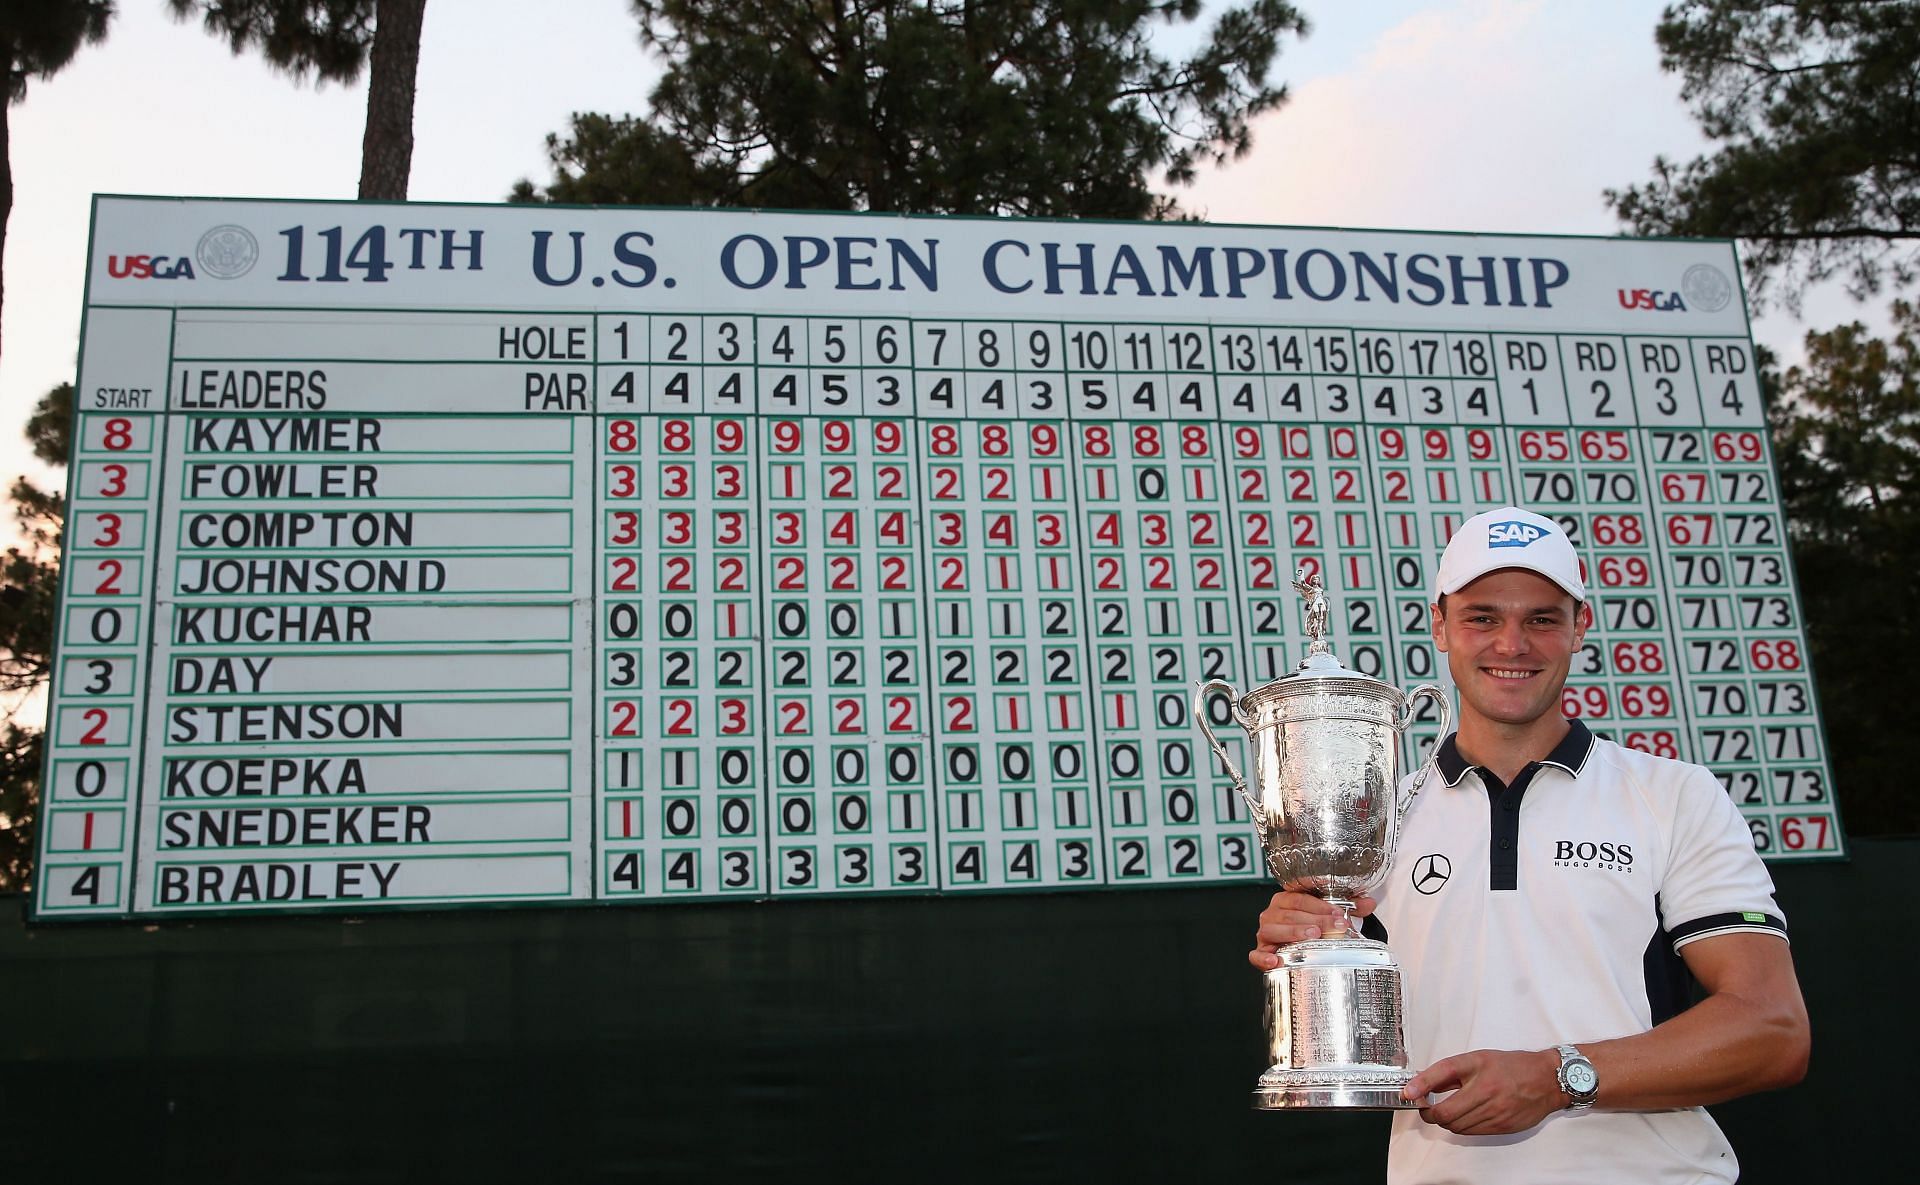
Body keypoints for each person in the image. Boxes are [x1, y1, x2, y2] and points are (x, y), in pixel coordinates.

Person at [1249, 506, 1809, 1184]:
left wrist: (1557, 1077)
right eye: (1483, 616)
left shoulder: (1674, 795)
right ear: (1440, 625)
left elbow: (1773, 1030)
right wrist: (1305, 948)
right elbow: (1345, 1037)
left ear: (1580, 627)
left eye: (1541, 618)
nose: (1511, 644)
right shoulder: (1375, 818)